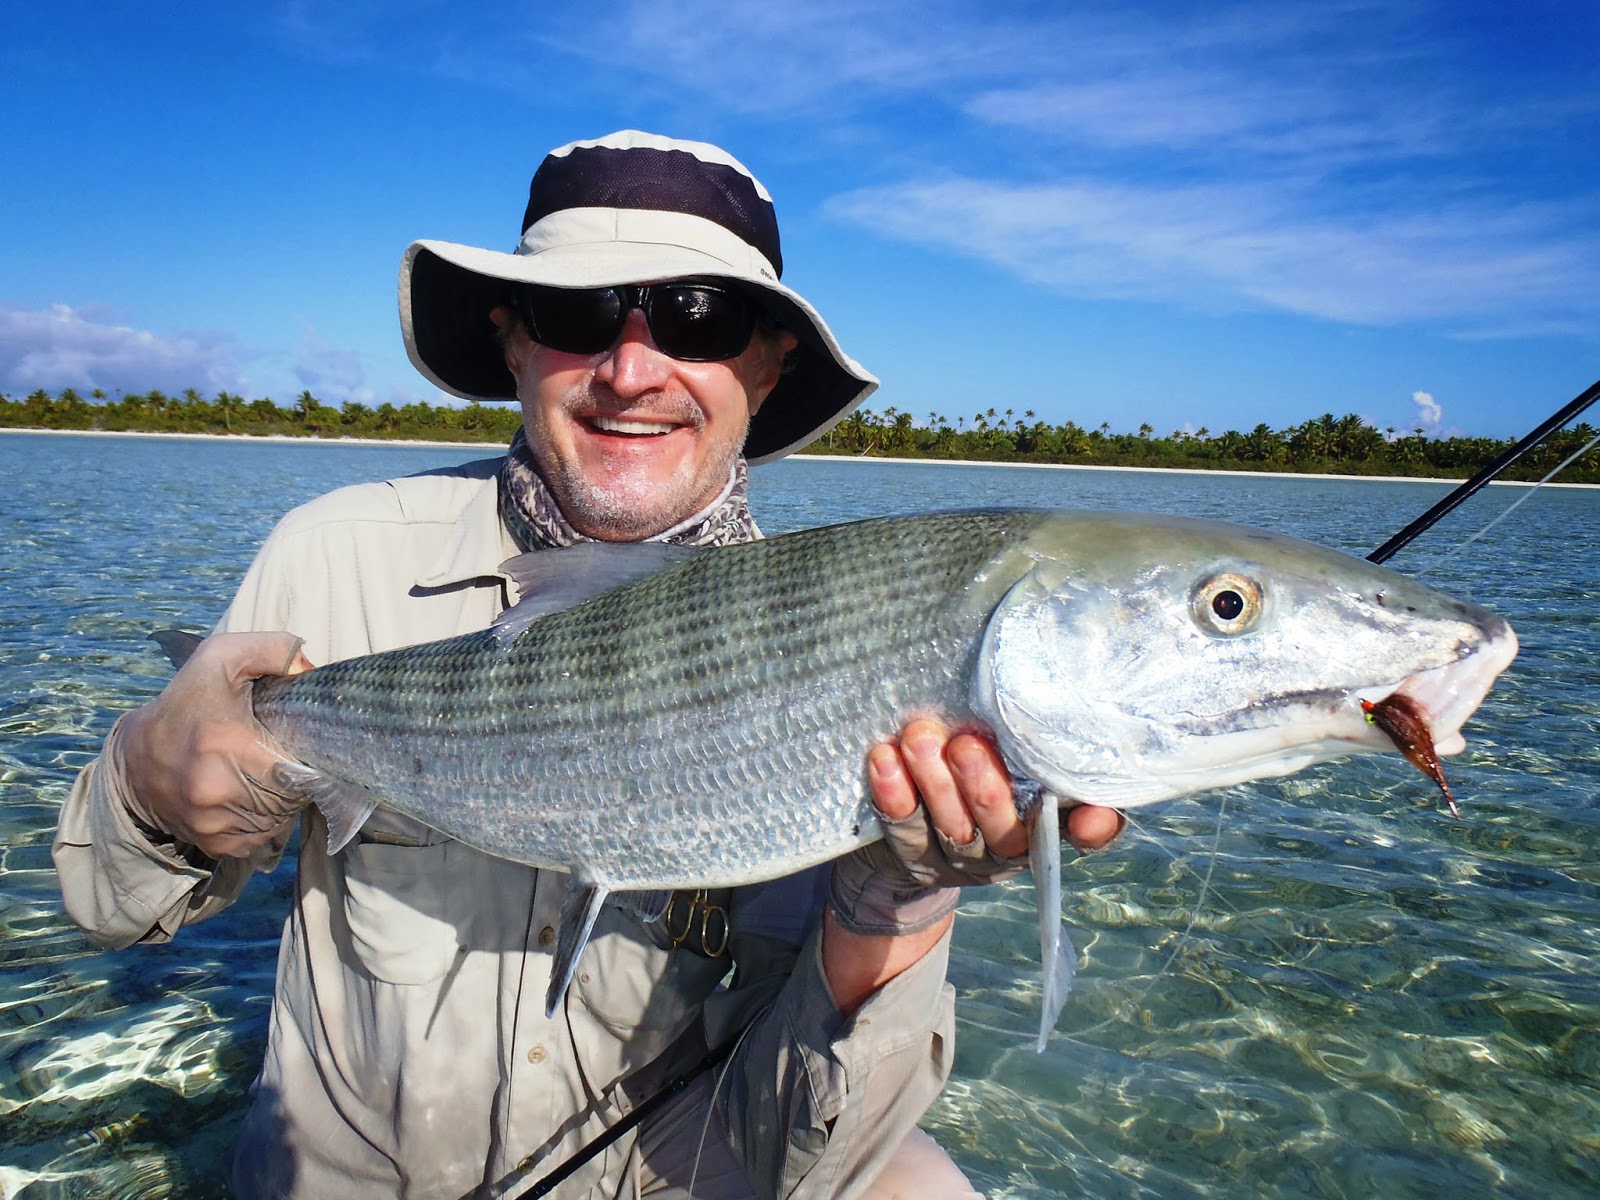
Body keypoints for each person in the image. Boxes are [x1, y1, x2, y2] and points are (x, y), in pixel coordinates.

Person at [54, 130, 1124, 1199]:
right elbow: (108, 910)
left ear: (768, 360)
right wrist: (150, 776)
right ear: (512, 340)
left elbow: (808, 1153)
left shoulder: (863, 647)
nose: (630, 370)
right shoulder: (329, 553)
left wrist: (901, 895)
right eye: (578, 314)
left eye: (700, 317)